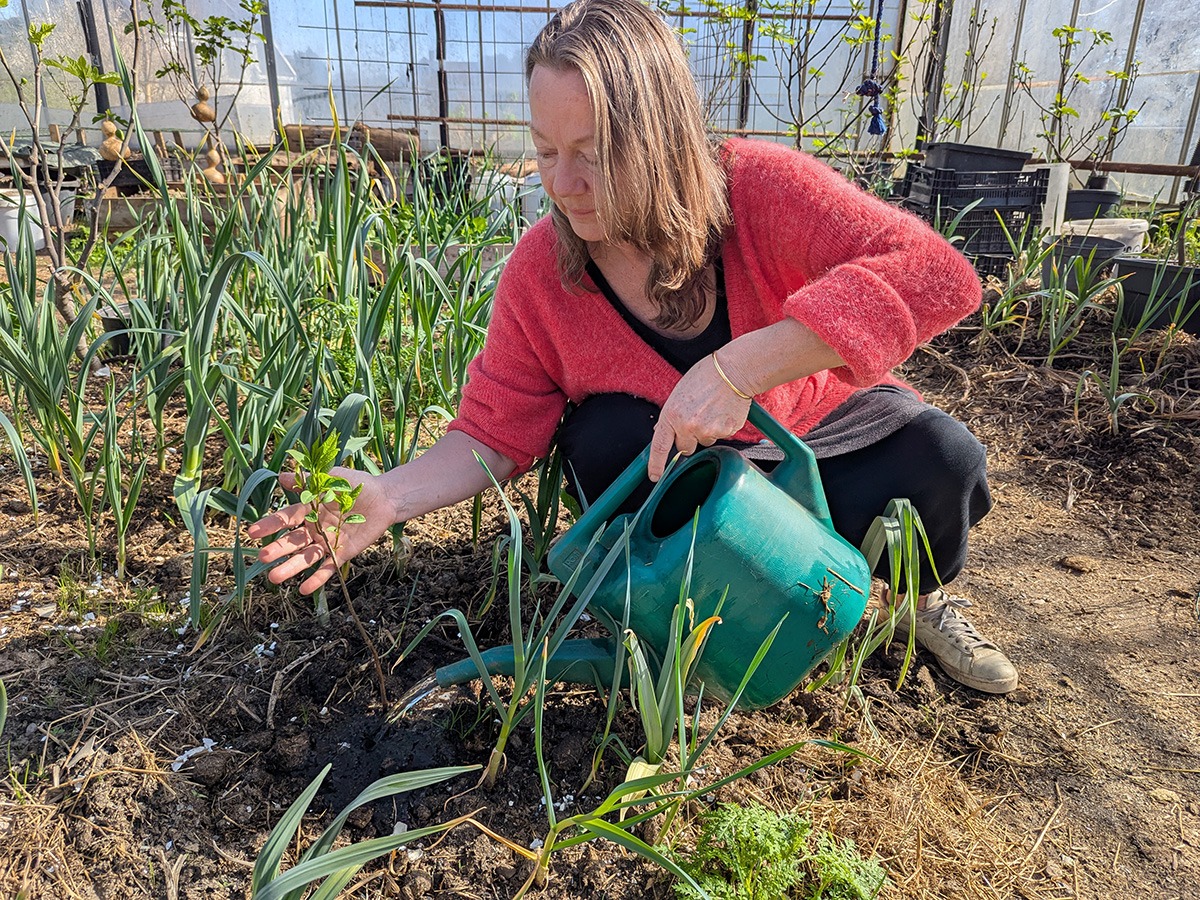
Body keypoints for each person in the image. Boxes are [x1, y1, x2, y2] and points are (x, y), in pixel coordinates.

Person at [249, 0, 1017, 694]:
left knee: (941, 459)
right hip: (688, 483)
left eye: (594, 150)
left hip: (812, 439)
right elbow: (492, 429)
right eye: (546, 151)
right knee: (607, 432)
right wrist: (390, 494)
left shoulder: (756, 189)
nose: (566, 183)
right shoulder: (543, 275)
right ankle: (681, 626)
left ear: (662, 136)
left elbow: (938, 274)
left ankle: (916, 600)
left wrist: (739, 368)